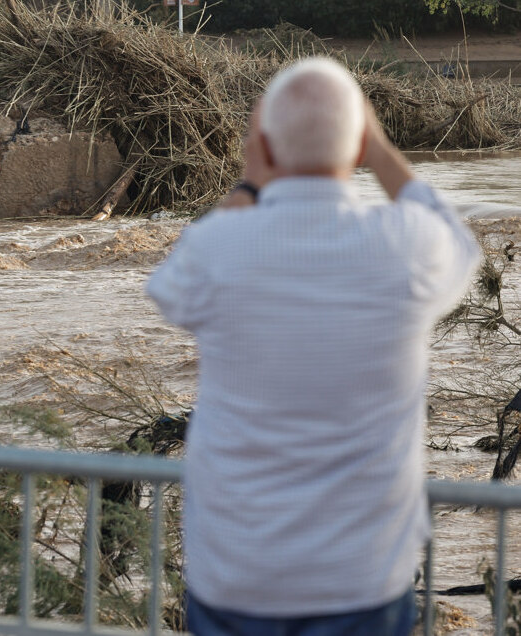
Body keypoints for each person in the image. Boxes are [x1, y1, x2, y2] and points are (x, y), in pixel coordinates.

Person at [147, 58, 480, 635]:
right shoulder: (405, 248)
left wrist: (251, 180)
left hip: (236, 574)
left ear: (266, 148)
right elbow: (459, 241)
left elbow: (167, 286)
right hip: (362, 577)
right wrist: (377, 149)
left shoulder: (218, 249)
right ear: (355, 149)